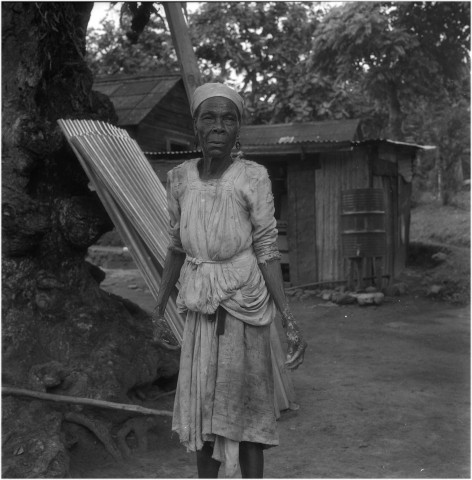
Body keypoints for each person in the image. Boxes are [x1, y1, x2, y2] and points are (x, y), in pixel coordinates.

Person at [153, 82, 307, 478]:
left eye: (228, 118)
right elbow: (175, 247)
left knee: (248, 411)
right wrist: (158, 310)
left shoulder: (252, 177)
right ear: (196, 127)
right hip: (200, 308)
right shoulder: (180, 179)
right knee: (202, 411)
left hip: (244, 307)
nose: (218, 126)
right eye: (209, 117)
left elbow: (268, 250)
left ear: (239, 128)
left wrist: (288, 319)